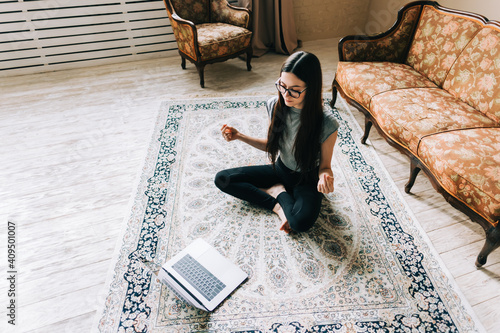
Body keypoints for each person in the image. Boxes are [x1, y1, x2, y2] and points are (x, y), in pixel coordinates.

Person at [214, 51, 339, 234]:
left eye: (294, 90)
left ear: (311, 88)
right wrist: (239, 136)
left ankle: (278, 191)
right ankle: (278, 202)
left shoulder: (327, 123)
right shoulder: (275, 105)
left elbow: (325, 167)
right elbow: (272, 145)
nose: (286, 94)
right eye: (282, 85)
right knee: (222, 179)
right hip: (280, 170)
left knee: (299, 223)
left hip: (306, 180)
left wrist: (324, 178)